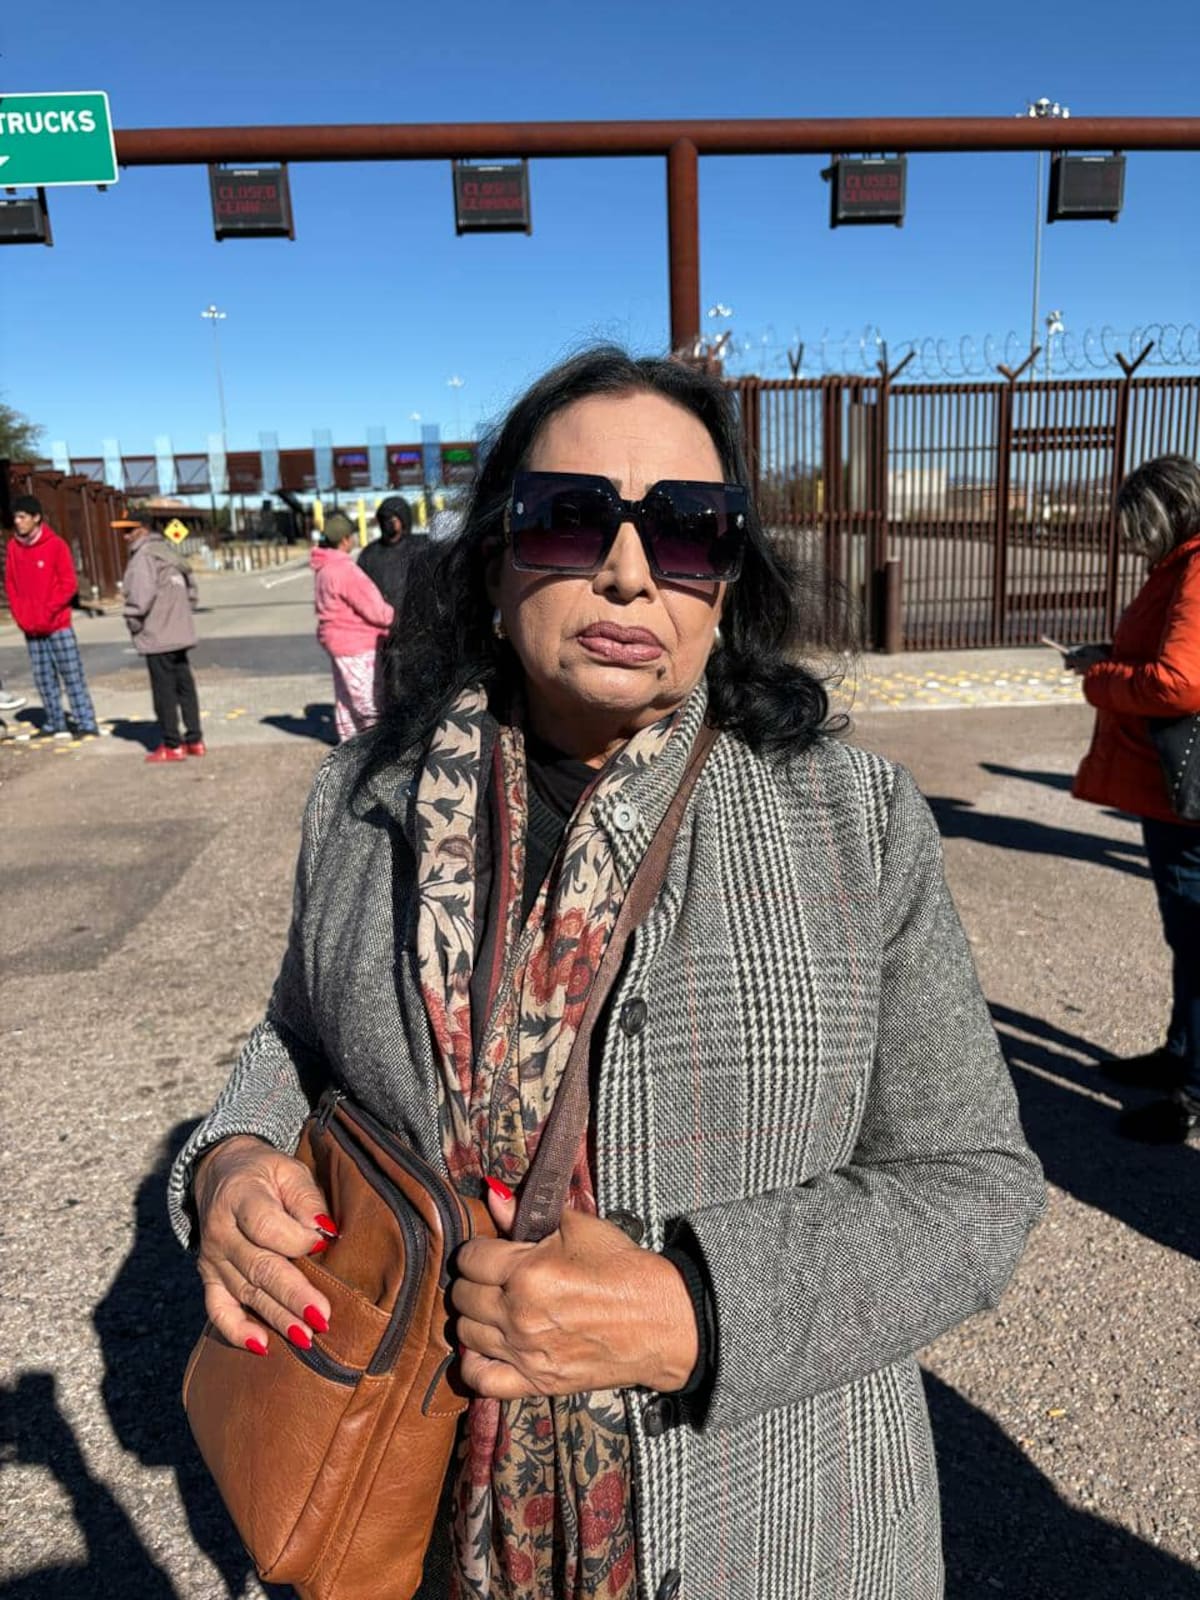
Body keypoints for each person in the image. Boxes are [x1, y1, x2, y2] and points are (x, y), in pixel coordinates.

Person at [169, 348, 1044, 1600]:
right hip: (415, 1523)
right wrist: (233, 1160)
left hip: (779, 1531)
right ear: (495, 556)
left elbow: (976, 1185)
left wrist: (693, 1306)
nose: (630, 568)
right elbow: (293, 1038)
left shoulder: (854, 821)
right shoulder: (362, 805)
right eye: (574, 515)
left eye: (689, 531)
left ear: (728, 579)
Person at [1070, 453, 1200, 1145]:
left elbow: (1178, 682)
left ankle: (1194, 1092)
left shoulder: (1196, 567)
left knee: (1198, 936)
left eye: (1142, 527)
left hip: (1186, 792)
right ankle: (1180, 1056)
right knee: (1188, 936)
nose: (1138, 542)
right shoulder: (1182, 565)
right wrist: (1110, 654)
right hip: (1171, 787)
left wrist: (1102, 681)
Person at [3, 494, 100, 740]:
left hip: (57, 625)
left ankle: (85, 722)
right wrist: (21, 616)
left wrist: (49, 610)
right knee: (43, 678)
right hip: (31, 628)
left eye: (22, 517)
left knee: (71, 674)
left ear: (36, 518)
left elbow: (68, 584)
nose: (18, 522)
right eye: (15, 517)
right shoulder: (14, 548)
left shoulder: (56, 545)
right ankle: (55, 723)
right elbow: (11, 585)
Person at [115, 515, 206, 764]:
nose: (124, 536)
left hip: (158, 633)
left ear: (143, 529)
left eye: (129, 530)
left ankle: (171, 744)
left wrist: (132, 621)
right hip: (180, 630)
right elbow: (191, 589)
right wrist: (183, 612)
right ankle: (195, 739)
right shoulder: (168, 551)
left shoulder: (143, 557)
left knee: (163, 690)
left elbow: (140, 596)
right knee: (184, 686)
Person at [309, 509, 394, 741]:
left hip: (336, 642)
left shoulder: (323, 569)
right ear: (345, 540)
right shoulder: (345, 570)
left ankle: (350, 746)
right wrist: (394, 617)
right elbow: (375, 609)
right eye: (352, 536)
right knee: (369, 702)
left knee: (346, 700)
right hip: (357, 645)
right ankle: (374, 749)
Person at [357, 493, 429, 610]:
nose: (387, 523)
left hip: (416, 617)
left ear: (403, 519)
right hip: (381, 620)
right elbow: (359, 589)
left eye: (392, 519)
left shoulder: (421, 546)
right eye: (383, 519)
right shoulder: (369, 554)